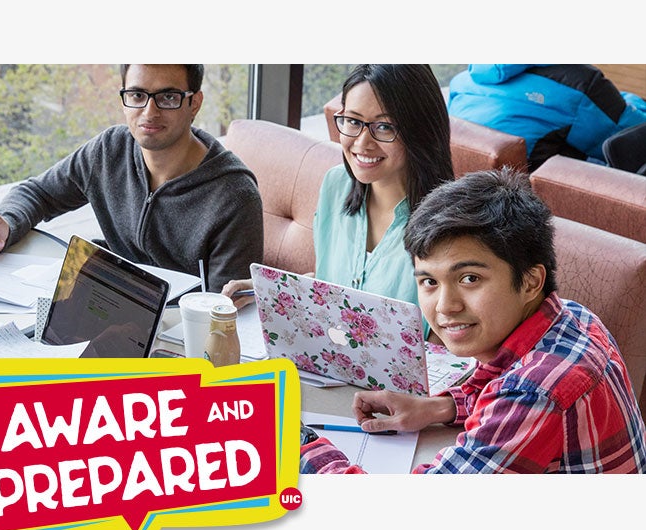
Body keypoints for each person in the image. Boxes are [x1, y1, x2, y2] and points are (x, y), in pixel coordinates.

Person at [300, 167, 646, 474]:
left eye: (469, 279)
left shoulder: (536, 392)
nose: (445, 306)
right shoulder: (574, 316)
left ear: (530, 281)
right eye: (429, 282)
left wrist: (301, 446)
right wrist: (439, 407)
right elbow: (504, 382)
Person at [0, 64, 263, 293]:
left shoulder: (234, 195)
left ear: (194, 103)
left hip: (176, 337)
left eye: (168, 97)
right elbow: (39, 192)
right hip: (109, 301)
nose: (149, 111)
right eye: (137, 95)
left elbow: (226, 311)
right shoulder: (110, 150)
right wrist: (6, 222)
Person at [225, 64, 453, 322]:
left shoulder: (447, 222)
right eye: (353, 121)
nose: (362, 143)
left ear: (420, 130)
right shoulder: (335, 184)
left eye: (384, 127)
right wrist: (267, 288)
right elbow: (331, 285)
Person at [448, 64, 646, 172]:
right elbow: (634, 139)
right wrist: (629, 100)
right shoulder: (580, 84)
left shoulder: (463, 80)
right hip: (551, 210)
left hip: (481, 204)